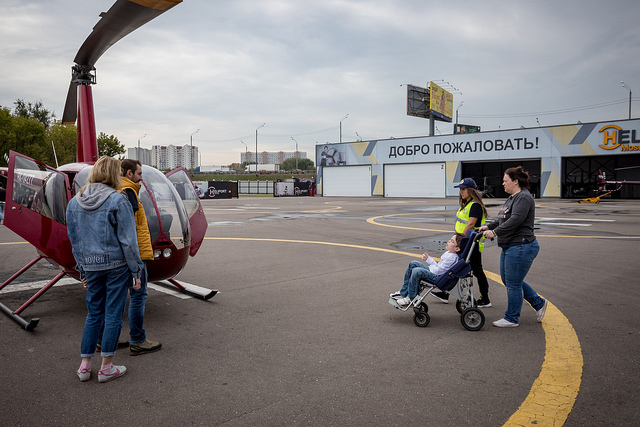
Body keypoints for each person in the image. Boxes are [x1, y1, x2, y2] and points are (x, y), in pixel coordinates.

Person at [66, 156, 144, 382]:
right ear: (113, 174)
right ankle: (106, 366)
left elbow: (74, 240)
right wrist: (136, 272)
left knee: (93, 314)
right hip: (116, 266)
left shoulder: (75, 202)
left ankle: (84, 366)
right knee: (113, 315)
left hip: (90, 265)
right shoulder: (118, 200)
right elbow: (129, 241)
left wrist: (82, 269)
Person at [478, 166, 547, 328]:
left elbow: (515, 220)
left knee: (513, 283)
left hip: (521, 245)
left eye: (505, 181)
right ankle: (538, 303)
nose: (503, 184)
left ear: (515, 181)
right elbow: (503, 219)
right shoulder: (512, 198)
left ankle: (512, 318)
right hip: (511, 245)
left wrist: (494, 232)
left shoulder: (523, 197)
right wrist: (488, 227)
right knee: (509, 280)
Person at [117, 159, 162, 356]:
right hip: (133, 255)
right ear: (129, 174)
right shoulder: (129, 193)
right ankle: (137, 340)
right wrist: (136, 260)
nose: (141, 178)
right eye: (139, 174)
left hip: (120, 255)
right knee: (138, 296)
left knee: (115, 297)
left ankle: (105, 338)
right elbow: (130, 230)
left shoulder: (117, 190)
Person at [432, 178, 491, 307]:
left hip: (470, 244)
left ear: (471, 190)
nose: (461, 192)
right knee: (456, 268)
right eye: (460, 189)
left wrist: (459, 241)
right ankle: (446, 292)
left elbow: (470, 224)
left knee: (476, 271)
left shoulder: (475, 205)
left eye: (463, 189)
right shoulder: (466, 204)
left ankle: (485, 298)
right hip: (465, 242)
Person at [391, 233, 463, 307]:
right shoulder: (449, 253)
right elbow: (439, 267)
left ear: (457, 249)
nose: (448, 241)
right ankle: (404, 292)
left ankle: (411, 298)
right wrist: (429, 260)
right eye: (450, 240)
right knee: (413, 264)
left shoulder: (452, 258)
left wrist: (427, 270)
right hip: (436, 272)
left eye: (452, 241)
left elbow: (439, 271)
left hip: (438, 277)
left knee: (416, 271)